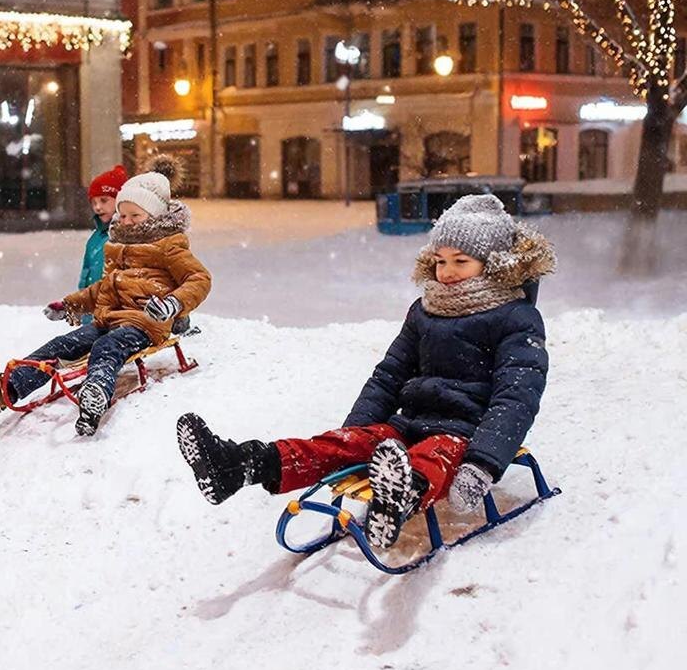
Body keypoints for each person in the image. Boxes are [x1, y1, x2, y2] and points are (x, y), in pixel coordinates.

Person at [176, 194, 556, 548]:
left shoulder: (516, 319)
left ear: (493, 265)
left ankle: (399, 498)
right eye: (440, 261)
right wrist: (356, 432)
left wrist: (483, 461)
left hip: (463, 432)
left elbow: (516, 396)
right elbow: (389, 375)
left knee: (435, 454)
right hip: (406, 425)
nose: (447, 272)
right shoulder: (425, 310)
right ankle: (241, 464)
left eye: (461, 261)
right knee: (340, 445)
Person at [0, 156, 211, 436]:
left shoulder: (168, 246)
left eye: (135, 216)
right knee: (62, 344)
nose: (126, 222)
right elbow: (102, 289)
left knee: (108, 347)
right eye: (123, 215)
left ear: (155, 216)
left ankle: (96, 393)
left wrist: (173, 304)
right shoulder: (117, 247)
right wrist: (70, 304)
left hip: (144, 323)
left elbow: (199, 279)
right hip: (108, 319)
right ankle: (4, 390)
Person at [79, 163, 127, 291]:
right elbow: (85, 278)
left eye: (104, 200)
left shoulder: (128, 238)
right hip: (93, 308)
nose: (97, 207)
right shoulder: (95, 239)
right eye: (93, 202)